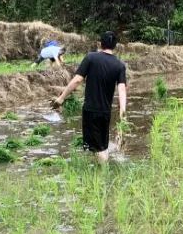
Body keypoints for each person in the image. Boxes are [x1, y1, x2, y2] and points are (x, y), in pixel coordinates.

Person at [52, 31, 127, 164]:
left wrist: (61, 98)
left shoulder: (91, 58)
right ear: (115, 46)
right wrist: (122, 113)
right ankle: (102, 167)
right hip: (105, 112)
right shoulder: (119, 65)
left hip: (91, 110)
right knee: (102, 145)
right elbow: (122, 90)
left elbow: (77, 80)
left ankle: (103, 174)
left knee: (98, 148)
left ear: (100, 43)